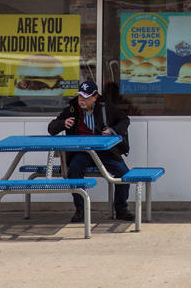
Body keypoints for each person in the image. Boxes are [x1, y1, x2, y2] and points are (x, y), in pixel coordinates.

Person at [48, 79, 133, 223]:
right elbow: (51, 128)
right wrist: (63, 123)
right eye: (80, 96)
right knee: (74, 169)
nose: (82, 100)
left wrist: (112, 130)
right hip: (82, 152)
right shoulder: (72, 109)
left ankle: (121, 209)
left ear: (95, 97)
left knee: (123, 173)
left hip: (105, 151)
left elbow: (125, 120)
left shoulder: (105, 107)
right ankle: (81, 211)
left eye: (86, 97)